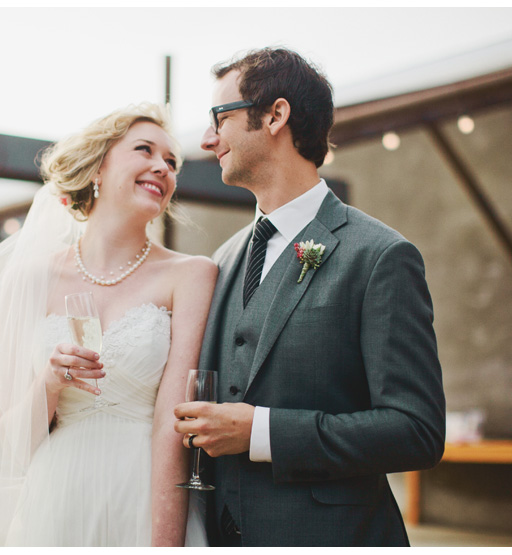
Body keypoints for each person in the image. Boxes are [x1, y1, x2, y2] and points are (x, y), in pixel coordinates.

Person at [174, 47, 446, 546]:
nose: (208, 138)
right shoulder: (224, 258)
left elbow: (416, 431)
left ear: (276, 114)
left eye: (220, 116)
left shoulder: (381, 256)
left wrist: (262, 432)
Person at [0, 103, 217, 546]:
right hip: (54, 501)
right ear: (98, 167)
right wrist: (50, 381)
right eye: (145, 150)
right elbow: (13, 444)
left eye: (171, 163)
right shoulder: (31, 278)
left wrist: (165, 540)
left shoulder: (191, 274)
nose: (163, 168)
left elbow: (171, 423)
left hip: (143, 495)